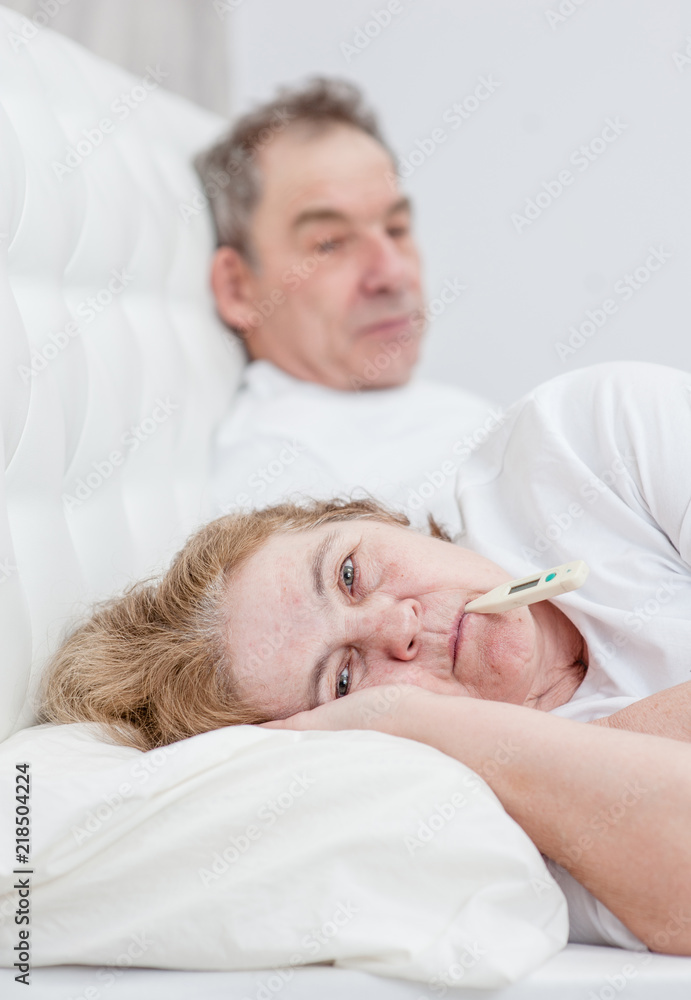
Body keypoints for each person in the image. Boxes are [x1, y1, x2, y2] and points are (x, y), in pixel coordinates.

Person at [38, 360, 691, 957]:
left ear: (375, 517)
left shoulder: (580, 448)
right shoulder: (475, 815)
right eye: (345, 678)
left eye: (348, 574)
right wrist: (420, 722)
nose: (398, 626)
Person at [194, 76, 496, 534]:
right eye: (330, 243)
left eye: (396, 229)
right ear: (238, 288)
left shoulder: (395, 414)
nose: (392, 273)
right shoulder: (284, 477)